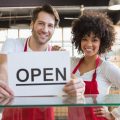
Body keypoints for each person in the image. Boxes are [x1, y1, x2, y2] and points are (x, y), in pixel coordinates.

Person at [0, 4, 85, 120]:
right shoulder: (13, 44)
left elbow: (70, 79)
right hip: (15, 113)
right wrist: (1, 81)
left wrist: (78, 86)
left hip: (44, 114)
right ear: (32, 24)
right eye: (41, 23)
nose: (45, 30)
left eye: (50, 25)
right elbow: (3, 66)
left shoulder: (57, 54)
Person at [63, 11, 120, 120]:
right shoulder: (72, 63)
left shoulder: (106, 68)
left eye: (94, 40)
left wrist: (113, 115)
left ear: (102, 42)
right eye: (85, 39)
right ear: (79, 40)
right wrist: (58, 52)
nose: (89, 44)